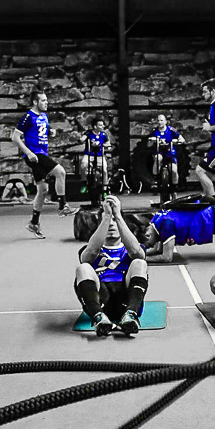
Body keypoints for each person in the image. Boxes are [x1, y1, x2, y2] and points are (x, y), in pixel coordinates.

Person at [74, 195, 149, 336]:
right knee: (83, 268)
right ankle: (99, 318)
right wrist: (106, 216)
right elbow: (89, 254)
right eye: (107, 221)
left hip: (126, 299)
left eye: (114, 221)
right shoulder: (89, 248)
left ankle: (131, 315)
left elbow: (137, 253)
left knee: (140, 262)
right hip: (100, 300)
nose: (111, 224)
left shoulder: (130, 248)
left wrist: (117, 215)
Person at [12, 88, 73, 238]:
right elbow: (15, 137)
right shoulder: (28, 117)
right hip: (35, 155)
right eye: (43, 100)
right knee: (60, 172)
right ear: (35, 102)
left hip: (42, 153)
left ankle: (34, 222)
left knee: (43, 189)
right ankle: (62, 205)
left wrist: (50, 132)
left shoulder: (44, 116)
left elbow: (42, 131)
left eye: (46, 100)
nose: (47, 103)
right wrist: (29, 153)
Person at [148, 114, 183, 203]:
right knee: (157, 158)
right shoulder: (154, 131)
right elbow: (148, 145)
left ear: (165, 121)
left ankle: (174, 189)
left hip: (169, 151)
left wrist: (177, 141)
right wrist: (152, 140)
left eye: (161, 120)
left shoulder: (171, 130)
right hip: (159, 151)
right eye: (158, 121)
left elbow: (182, 139)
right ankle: (155, 179)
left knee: (174, 170)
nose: (160, 122)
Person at [81, 116, 111, 186]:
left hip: (100, 155)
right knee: (83, 166)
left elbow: (107, 143)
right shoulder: (88, 133)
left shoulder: (103, 134)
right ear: (95, 126)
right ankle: (84, 183)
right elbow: (82, 138)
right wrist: (81, 139)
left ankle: (105, 187)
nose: (103, 126)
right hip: (89, 154)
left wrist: (106, 145)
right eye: (100, 125)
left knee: (104, 170)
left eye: (103, 125)